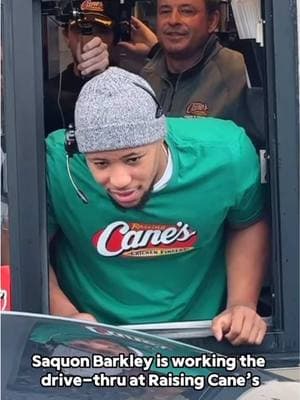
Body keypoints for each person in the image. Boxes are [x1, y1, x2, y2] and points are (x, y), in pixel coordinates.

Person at [47, 67, 268, 346]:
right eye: (100, 163)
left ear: (160, 136)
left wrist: (242, 304)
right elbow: (18, 246)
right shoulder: (56, 163)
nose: (119, 180)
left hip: (200, 340)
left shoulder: (225, 154)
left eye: (133, 159)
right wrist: (66, 316)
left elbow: (247, 221)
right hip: (91, 347)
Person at [119, 0, 264, 147]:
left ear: (212, 21)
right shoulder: (147, 78)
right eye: (165, 11)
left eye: (187, 11)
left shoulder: (239, 72)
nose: (173, 20)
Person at [43, 0, 114, 134]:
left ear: (114, 37)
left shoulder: (129, 88)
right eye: (82, 30)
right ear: (66, 36)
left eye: (101, 31)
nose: (91, 39)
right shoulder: (49, 94)